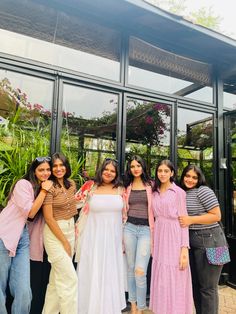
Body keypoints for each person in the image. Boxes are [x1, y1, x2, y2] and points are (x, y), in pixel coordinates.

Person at [0, 156, 52, 314]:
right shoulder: (23, 184)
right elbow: (30, 213)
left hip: (22, 237)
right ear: (34, 171)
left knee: (23, 289)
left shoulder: (41, 188)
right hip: (4, 234)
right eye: (41, 170)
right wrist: (44, 190)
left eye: (48, 170)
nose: (45, 173)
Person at [75, 158, 126, 314]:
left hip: (114, 241)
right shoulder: (90, 187)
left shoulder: (122, 190)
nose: (108, 173)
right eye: (106, 169)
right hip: (92, 238)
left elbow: (127, 214)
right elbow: (71, 204)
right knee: (91, 272)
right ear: (101, 169)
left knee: (110, 274)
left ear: (116, 174)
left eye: (112, 171)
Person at [179, 164, 226, 314]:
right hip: (194, 242)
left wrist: (190, 220)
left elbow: (217, 216)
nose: (190, 180)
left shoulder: (204, 190)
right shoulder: (183, 193)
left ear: (200, 179)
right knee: (196, 285)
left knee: (209, 288)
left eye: (194, 177)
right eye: (187, 176)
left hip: (214, 242)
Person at [150, 159, 193, 314]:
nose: (162, 174)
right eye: (160, 171)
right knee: (161, 275)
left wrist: (184, 249)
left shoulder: (179, 192)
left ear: (172, 173)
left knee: (176, 274)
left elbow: (184, 221)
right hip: (159, 235)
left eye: (166, 171)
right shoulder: (153, 192)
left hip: (174, 235)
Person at [42, 152, 78, 314]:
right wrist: (64, 242)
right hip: (55, 234)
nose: (58, 169)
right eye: (54, 166)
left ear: (66, 166)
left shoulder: (71, 184)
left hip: (70, 230)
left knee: (56, 282)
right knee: (70, 280)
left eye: (61, 165)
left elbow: (73, 206)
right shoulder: (49, 187)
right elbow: (49, 218)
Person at [123, 155, 154, 314]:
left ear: (143, 167)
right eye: (133, 166)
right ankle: (133, 306)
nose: (135, 169)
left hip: (146, 230)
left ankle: (142, 308)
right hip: (129, 228)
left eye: (138, 165)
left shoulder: (151, 185)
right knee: (130, 268)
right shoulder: (126, 186)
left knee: (140, 270)